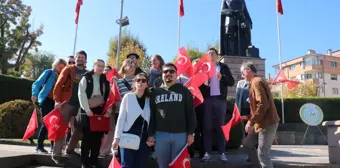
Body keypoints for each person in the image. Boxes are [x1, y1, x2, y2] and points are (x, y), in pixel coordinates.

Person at [147, 63, 197, 168]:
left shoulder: (184, 91)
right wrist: (150, 134)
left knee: (179, 166)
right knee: (163, 166)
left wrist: (191, 133)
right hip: (160, 136)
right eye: (165, 71)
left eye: (171, 71)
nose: (168, 73)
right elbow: (151, 115)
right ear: (162, 75)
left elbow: (190, 113)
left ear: (176, 74)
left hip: (180, 135)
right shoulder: (156, 92)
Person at [240, 62, 280, 168]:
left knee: (263, 154)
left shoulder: (256, 82)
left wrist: (250, 122)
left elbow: (263, 104)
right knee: (247, 144)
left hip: (267, 124)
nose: (241, 76)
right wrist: (249, 117)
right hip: (261, 123)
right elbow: (261, 105)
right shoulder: (255, 82)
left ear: (248, 70)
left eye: (242, 72)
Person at [52, 50, 87, 164]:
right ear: (75, 58)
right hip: (66, 103)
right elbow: (58, 84)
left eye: (83, 57)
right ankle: (57, 154)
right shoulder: (68, 69)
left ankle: (70, 149)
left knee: (79, 129)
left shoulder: (87, 73)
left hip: (80, 106)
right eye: (79, 57)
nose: (80, 59)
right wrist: (57, 100)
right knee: (61, 129)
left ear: (85, 60)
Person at [200, 48, 234, 162]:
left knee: (221, 128)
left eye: (212, 53)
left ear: (217, 56)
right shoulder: (204, 68)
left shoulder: (223, 67)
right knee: (207, 127)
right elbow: (198, 83)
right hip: (208, 100)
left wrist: (222, 77)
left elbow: (231, 82)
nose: (210, 55)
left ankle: (222, 153)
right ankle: (207, 153)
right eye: (208, 53)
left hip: (220, 100)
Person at [112, 73, 151, 168]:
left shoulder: (149, 99)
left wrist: (151, 136)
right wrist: (116, 137)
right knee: (126, 165)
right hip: (127, 136)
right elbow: (121, 118)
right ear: (134, 83)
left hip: (143, 138)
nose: (141, 82)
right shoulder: (128, 97)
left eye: (143, 80)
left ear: (147, 84)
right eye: (138, 80)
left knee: (141, 165)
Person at [99, 59, 136, 158]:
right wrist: (109, 110)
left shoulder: (138, 81)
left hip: (134, 113)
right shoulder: (117, 81)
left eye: (134, 65)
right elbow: (112, 98)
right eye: (130, 65)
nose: (133, 67)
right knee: (118, 133)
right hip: (119, 111)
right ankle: (117, 152)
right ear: (124, 67)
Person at [78, 59, 111, 168]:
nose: (101, 68)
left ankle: (94, 161)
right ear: (94, 66)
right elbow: (81, 94)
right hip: (87, 110)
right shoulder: (86, 78)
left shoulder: (105, 81)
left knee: (97, 139)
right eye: (99, 65)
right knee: (87, 138)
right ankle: (84, 162)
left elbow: (108, 98)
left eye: (103, 66)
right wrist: (87, 110)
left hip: (100, 112)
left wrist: (107, 111)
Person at [31, 58, 67, 153]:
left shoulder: (63, 77)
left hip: (56, 102)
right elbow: (37, 83)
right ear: (55, 65)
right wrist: (34, 94)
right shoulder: (49, 73)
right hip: (46, 100)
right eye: (60, 67)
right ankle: (39, 146)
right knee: (47, 123)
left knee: (54, 124)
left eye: (63, 68)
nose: (61, 69)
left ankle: (52, 147)